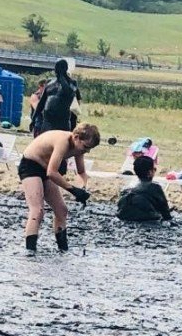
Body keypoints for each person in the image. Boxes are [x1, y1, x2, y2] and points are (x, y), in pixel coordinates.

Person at [18, 123, 98, 252]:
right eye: (86, 147)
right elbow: (52, 172)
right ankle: (30, 252)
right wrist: (72, 189)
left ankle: (63, 250)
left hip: (45, 168)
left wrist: (82, 188)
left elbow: (81, 172)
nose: (86, 151)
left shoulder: (79, 148)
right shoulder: (63, 141)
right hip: (30, 166)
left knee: (62, 210)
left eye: (89, 149)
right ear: (76, 137)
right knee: (37, 210)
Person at [116, 154, 172, 223]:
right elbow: (166, 214)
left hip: (124, 218)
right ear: (150, 172)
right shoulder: (155, 188)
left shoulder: (128, 188)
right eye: (154, 169)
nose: (155, 171)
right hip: (146, 221)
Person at [36, 59, 78, 134]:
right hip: (47, 121)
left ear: (65, 69)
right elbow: (41, 103)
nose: (56, 70)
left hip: (62, 122)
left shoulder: (72, 83)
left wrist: (61, 76)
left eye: (59, 68)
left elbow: (68, 92)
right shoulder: (49, 82)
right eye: (56, 67)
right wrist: (34, 119)